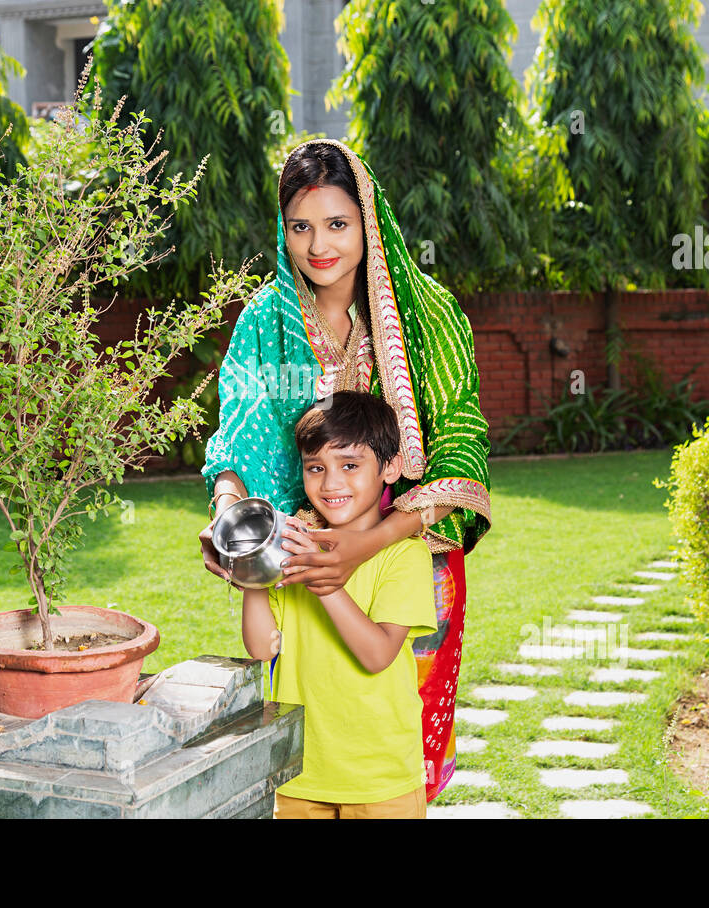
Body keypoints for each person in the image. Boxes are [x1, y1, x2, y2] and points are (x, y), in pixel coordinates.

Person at [199, 138, 492, 801]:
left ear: (369, 222)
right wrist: (228, 515)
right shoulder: (264, 320)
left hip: (412, 556)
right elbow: (238, 435)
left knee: (398, 754)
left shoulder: (430, 317)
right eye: (300, 226)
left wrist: (372, 541)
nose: (318, 244)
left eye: (337, 223)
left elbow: (461, 450)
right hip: (298, 560)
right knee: (313, 737)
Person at [239, 390, 436, 818]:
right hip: (298, 770)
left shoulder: (404, 554)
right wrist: (253, 572)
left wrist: (326, 585)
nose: (330, 484)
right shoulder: (295, 546)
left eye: (350, 466)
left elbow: (377, 654)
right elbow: (261, 650)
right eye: (315, 468)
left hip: (381, 777)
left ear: (390, 468)